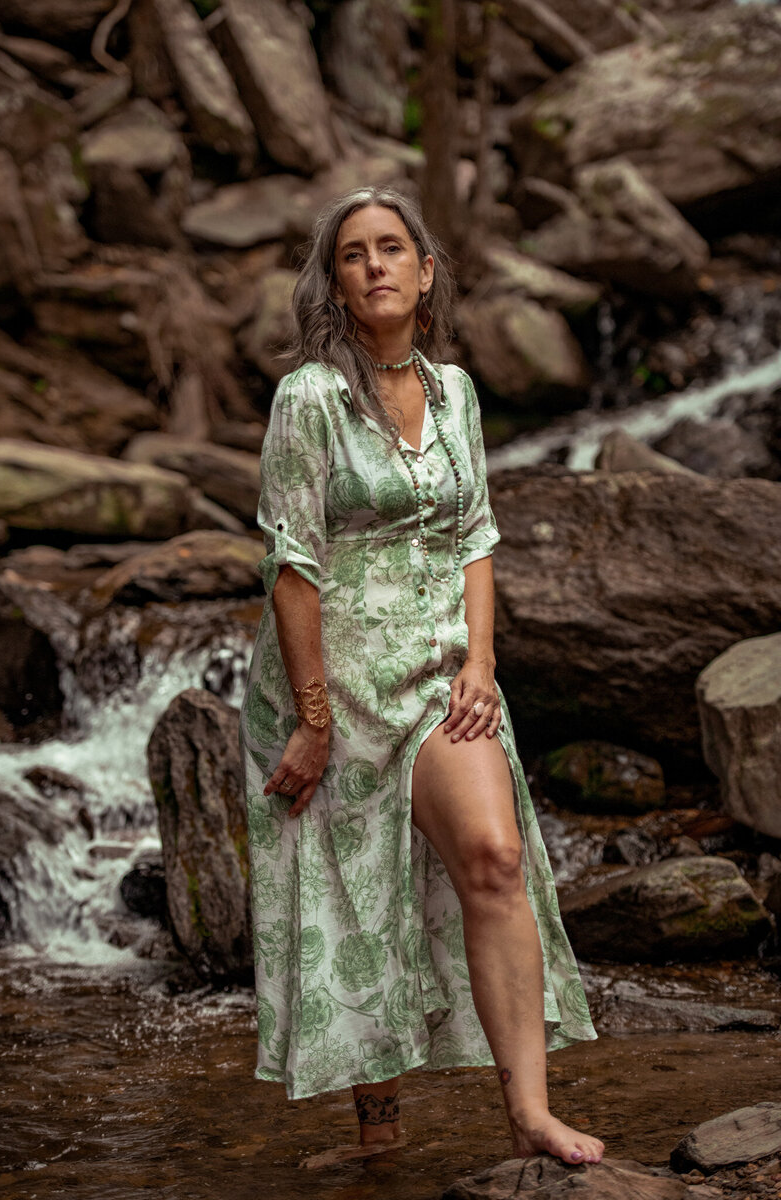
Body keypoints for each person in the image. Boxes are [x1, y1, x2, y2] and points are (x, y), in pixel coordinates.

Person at [238, 185, 604, 1167]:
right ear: (336, 281)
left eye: (391, 247)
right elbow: (292, 563)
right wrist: (311, 719)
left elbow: (475, 535)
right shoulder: (307, 398)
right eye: (352, 253)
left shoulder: (455, 393)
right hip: (334, 679)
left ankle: (527, 1112)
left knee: (492, 860)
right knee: (361, 891)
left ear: (425, 269)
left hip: (441, 670)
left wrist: (480, 663)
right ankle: (377, 1128)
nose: (374, 264)